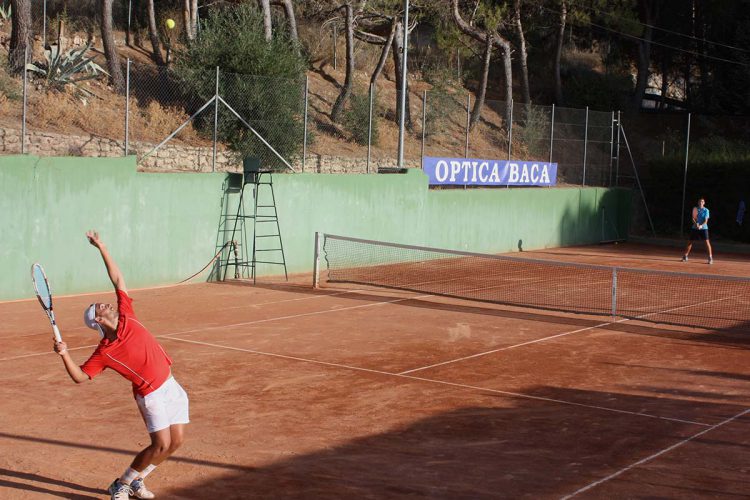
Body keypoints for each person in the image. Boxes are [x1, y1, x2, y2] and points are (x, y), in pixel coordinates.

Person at [53, 231, 189, 500]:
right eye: (99, 307)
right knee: (160, 444)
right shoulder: (105, 351)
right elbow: (80, 376)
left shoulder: (127, 314)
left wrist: (101, 247)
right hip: (150, 394)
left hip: (170, 384)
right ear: (98, 321)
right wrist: (65, 354)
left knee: (176, 442)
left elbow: (117, 278)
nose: (106, 304)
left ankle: (137, 480)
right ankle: (121, 484)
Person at [682, 197, 713, 264]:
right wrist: (696, 225)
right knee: (690, 242)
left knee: (707, 242)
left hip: (704, 228)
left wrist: (701, 226)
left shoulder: (706, 210)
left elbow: (706, 220)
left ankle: (710, 258)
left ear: (704, 203)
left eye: (702, 201)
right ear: (698, 202)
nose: (701, 203)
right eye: (699, 201)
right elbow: (693, 218)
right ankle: (685, 256)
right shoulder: (695, 209)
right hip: (695, 228)